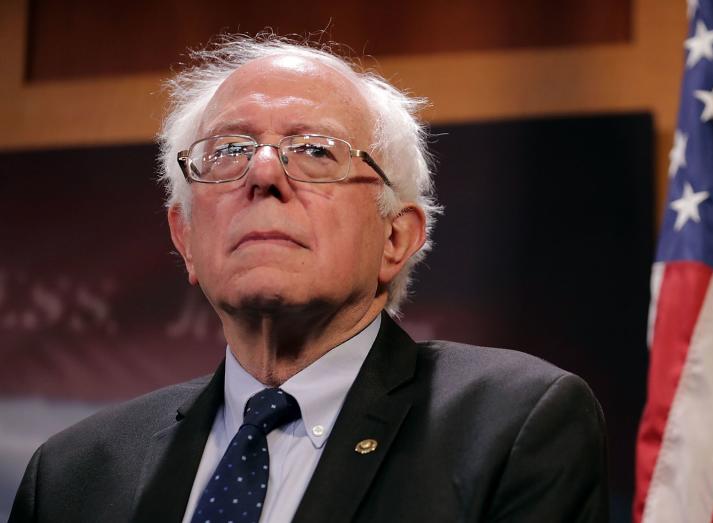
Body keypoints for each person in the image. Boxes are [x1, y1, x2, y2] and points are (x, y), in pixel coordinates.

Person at [9, 35, 607, 523]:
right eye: (228, 151)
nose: (263, 172)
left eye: (316, 150)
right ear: (186, 238)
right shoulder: (71, 477)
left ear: (396, 238)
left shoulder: (511, 427)